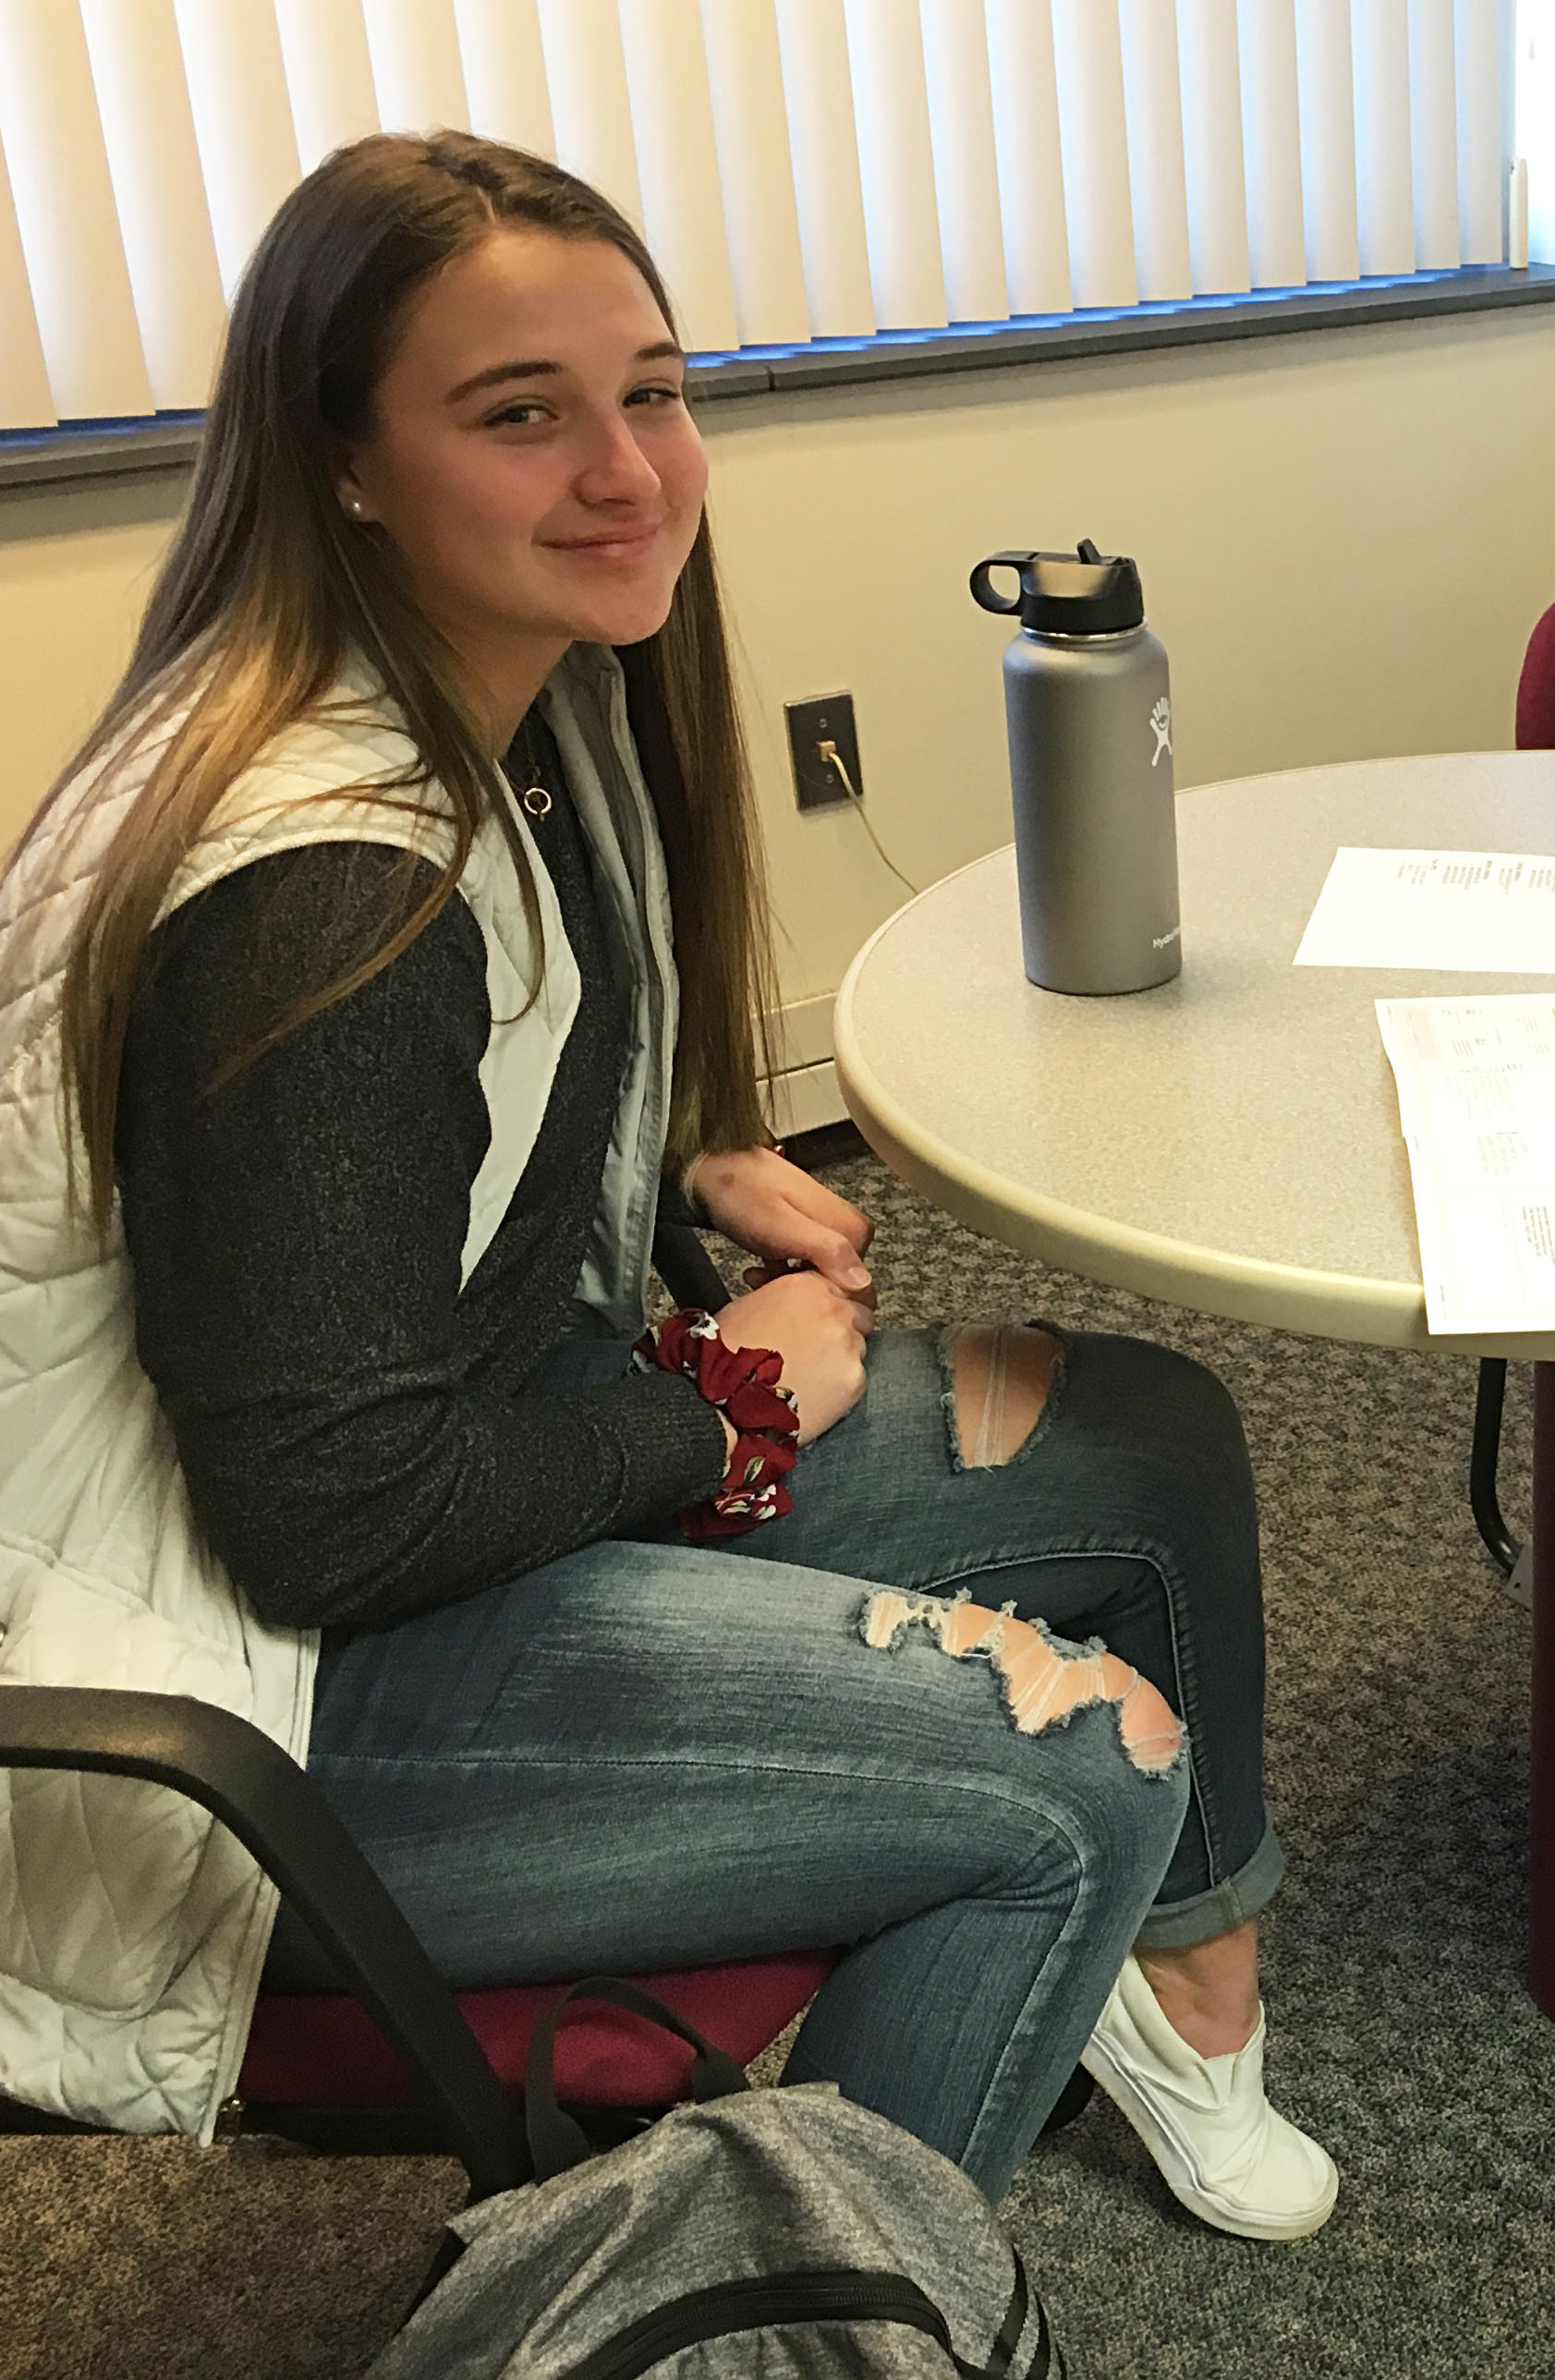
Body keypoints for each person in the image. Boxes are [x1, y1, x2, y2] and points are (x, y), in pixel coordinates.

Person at [0, 132, 1332, 2230]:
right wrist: (729, 1403)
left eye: (652, 387)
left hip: (419, 1519)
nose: (626, 466)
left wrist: (663, 1182)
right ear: (341, 459)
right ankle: (812, 2315)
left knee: (1147, 1442)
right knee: (1077, 1771)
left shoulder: (526, 698)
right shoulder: (323, 883)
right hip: (261, 1701)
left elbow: (406, 1183)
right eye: (519, 413)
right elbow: (328, 1509)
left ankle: (1181, 1982)